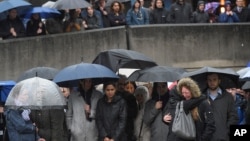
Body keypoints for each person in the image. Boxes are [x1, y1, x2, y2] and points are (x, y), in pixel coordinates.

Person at [204, 73, 239, 141]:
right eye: (209, 80)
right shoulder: (202, 97)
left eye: (214, 80)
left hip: (223, 137)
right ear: (207, 81)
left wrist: (226, 131)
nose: (212, 82)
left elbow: (233, 116)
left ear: (219, 81)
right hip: (206, 137)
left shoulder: (228, 97)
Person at [117, 77, 138, 141]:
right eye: (120, 84)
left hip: (127, 130)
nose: (122, 86)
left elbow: (134, 113)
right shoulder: (112, 96)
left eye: (124, 84)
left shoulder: (130, 97)